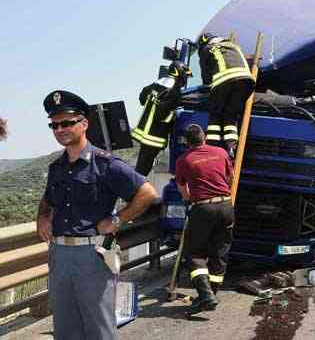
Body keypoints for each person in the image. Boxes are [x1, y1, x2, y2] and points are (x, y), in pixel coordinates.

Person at [38, 90, 159, 339]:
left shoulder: (106, 164)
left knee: (98, 328)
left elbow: (147, 193)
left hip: (91, 256)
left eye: (67, 122)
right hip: (59, 256)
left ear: (84, 124)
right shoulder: (56, 168)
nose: (60, 129)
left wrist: (117, 220)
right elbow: (48, 198)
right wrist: (43, 216)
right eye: (54, 124)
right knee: (65, 329)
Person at [175, 124, 235, 316]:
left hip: (203, 208)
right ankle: (209, 297)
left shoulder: (184, 160)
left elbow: (182, 189)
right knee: (219, 252)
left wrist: (188, 201)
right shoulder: (221, 152)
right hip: (226, 206)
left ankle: (206, 296)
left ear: (187, 141)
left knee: (194, 253)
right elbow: (231, 177)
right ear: (205, 137)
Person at [196, 33, 256, 157]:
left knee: (215, 113)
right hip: (246, 81)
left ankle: (213, 147)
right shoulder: (234, 45)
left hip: (224, 80)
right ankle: (231, 147)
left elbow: (206, 77)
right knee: (231, 114)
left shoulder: (207, 49)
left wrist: (206, 88)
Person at [131, 62, 192, 175]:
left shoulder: (155, 84)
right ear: (179, 74)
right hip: (155, 136)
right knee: (142, 170)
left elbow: (142, 98)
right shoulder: (175, 92)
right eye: (185, 76)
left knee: (141, 167)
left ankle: (136, 188)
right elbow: (161, 115)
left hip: (144, 132)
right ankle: (136, 190)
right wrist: (174, 116)